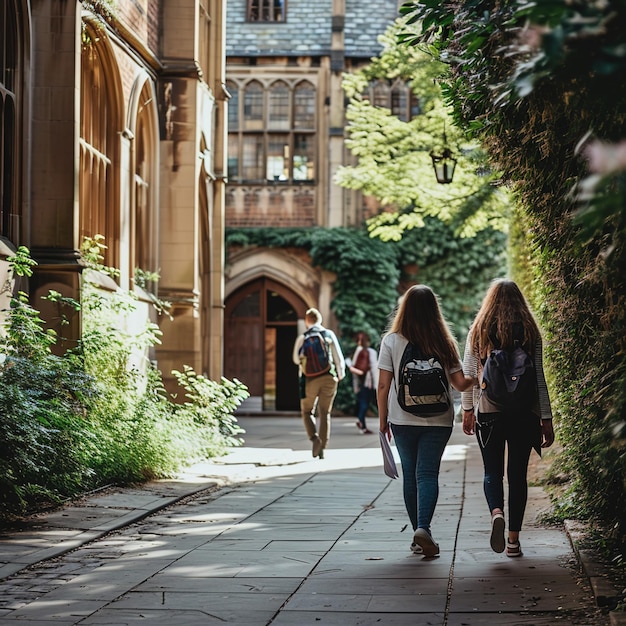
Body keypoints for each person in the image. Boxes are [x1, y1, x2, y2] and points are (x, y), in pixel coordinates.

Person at [377, 285, 477, 557]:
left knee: (410, 475)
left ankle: (419, 534)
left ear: (404, 309)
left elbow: (384, 386)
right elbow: (459, 384)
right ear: (435, 309)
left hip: (402, 418)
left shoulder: (391, 340)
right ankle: (423, 528)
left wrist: (383, 420)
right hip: (438, 419)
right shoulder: (444, 342)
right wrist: (479, 377)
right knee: (427, 473)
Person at [461, 279, 555, 558]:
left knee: (492, 471)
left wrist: (468, 411)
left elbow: (469, 374)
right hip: (524, 414)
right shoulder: (529, 331)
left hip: (489, 413)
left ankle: (496, 512)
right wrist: (546, 419)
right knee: (517, 476)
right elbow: (538, 377)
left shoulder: (478, 330)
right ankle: (513, 541)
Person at [293, 308, 346, 459]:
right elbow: (338, 357)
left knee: (307, 411)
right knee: (324, 412)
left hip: (309, 379)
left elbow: (296, 360)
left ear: (306, 321)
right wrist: (340, 375)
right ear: (320, 320)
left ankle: (314, 439)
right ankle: (322, 446)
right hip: (329, 377)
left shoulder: (302, 338)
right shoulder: (328, 334)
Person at [349, 332, 378, 434]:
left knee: (362, 402)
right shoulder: (371, 352)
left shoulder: (357, 351)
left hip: (361, 381)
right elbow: (374, 369)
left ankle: (361, 423)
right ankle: (361, 423)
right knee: (364, 403)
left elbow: (353, 368)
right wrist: (377, 385)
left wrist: (355, 386)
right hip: (368, 382)